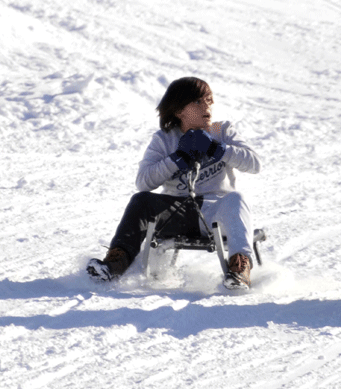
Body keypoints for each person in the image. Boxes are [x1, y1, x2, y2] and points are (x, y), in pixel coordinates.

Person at [87, 77, 262, 290]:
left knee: (237, 198)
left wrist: (217, 149)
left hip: (217, 211)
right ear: (179, 110)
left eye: (209, 100)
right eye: (198, 102)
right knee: (141, 201)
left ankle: (240, 268)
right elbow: (143, 182)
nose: (207, 106)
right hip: (178, 213)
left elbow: (254, 164)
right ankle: (115, 263)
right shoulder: (164, 139)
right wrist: (176, 159)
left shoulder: (222, 131)